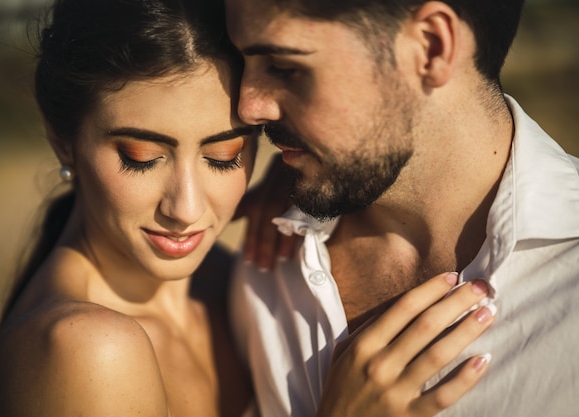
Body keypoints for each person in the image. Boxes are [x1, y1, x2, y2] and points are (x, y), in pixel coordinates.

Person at [0, 0, 495, 416]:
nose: (186, 207)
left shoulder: (230, 282)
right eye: (141, 158)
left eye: (224, 157)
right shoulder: (88, 351)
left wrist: (303, 181)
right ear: (62, 140)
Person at [225, 0, 579, 416]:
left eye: (284, 66)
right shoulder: (265, 263)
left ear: (430, 46)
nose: (248, 107)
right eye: (240, 60)